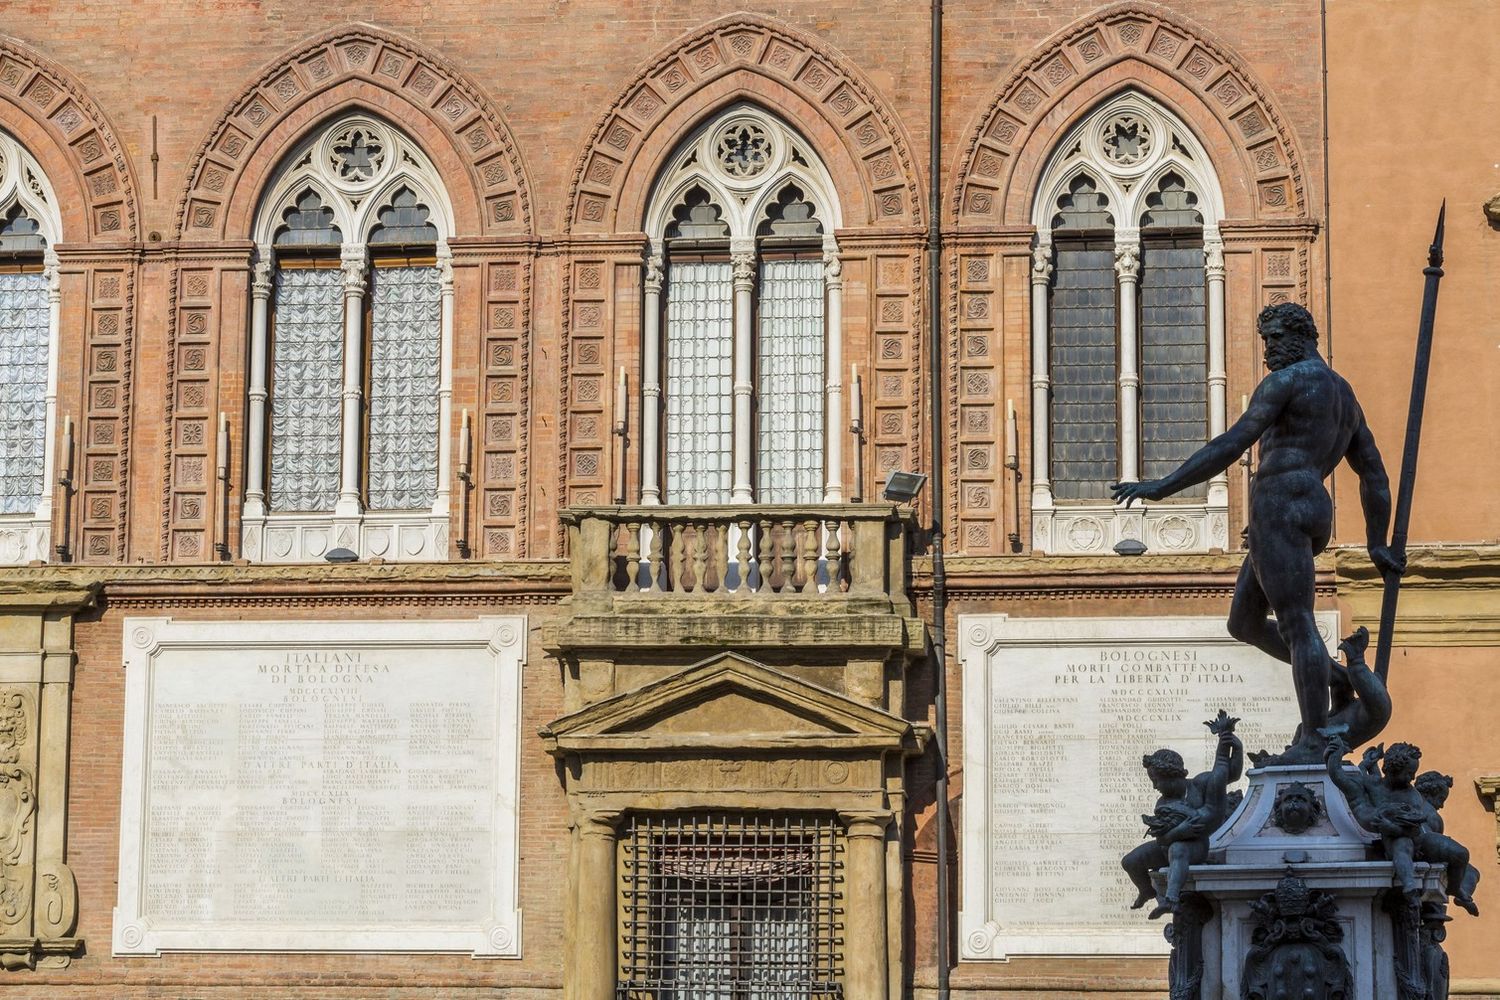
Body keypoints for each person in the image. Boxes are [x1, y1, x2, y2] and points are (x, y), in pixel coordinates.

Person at [1113, 303, 1403, 763]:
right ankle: (1338, 678)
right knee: (1243, 623)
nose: (1266, 349)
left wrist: (1163, 486)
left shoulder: (1286, 382)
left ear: (1300, 336)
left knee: (1296, 622)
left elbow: (1233, 442)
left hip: (1279, 504)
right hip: (1311, 507)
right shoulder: (1345, 397)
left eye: (1272, 338)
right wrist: (1377, 543)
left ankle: (1313, 738)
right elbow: (1375, 477)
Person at [1324, 739, 1477, 914]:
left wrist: (1393, 827)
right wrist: (1333, 755)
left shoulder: (1411, 794)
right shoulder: (1371, 785)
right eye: (1409, 773)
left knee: (1461, 853)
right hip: (1396, 838)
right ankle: (1410, 887)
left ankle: (1455, 888)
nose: (1412, 778)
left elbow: (1416, 825)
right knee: (1401, 848)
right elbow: (1340, 778)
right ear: (1393, 770)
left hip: (1415, 836)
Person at [1123, 712, 1242, 918]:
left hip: (1195, 846)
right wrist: (1180, 830)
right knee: (1130, 861)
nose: (1154, 786)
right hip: (1167, 845)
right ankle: (1147, 890)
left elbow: (1229, 773)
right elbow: (1162, 838)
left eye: (1157, 780)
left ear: (1172, 776)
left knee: (1178, 850)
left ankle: (1171, 899)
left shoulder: (1201, 784)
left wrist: (1237, 748)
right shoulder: (1163, 803)